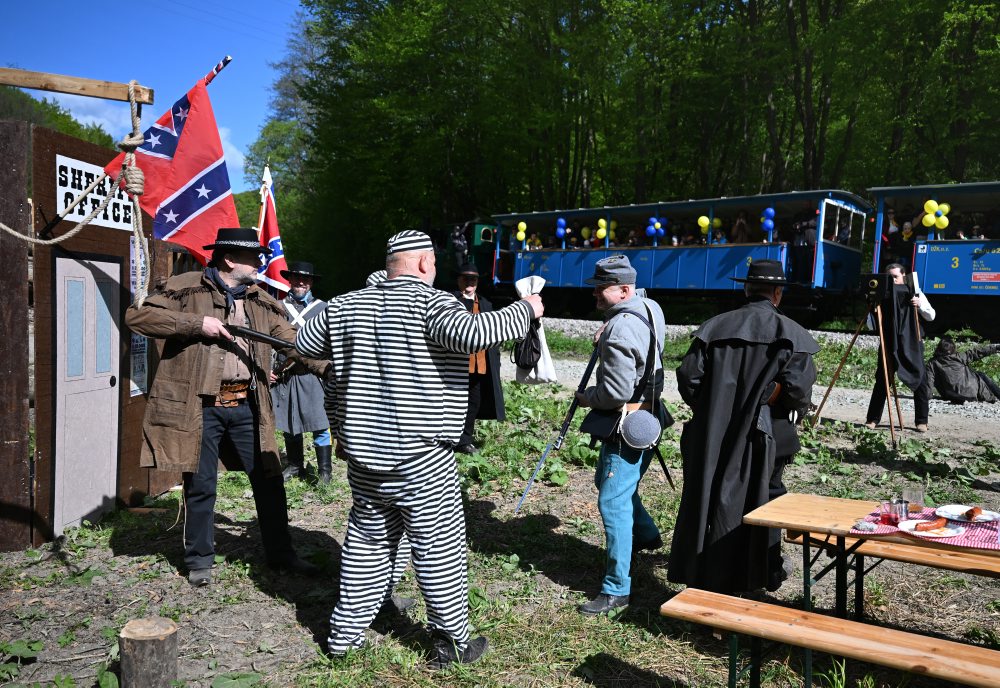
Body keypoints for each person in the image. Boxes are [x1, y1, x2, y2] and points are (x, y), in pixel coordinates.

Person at [295, 230, 543, 667]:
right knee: (438, 549)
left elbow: (304, 344)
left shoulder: (343, 305)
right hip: (422, 457)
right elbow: (474, 333)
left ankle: (343, 640)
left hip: (364, 455)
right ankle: (453, 643)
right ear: (426, 263)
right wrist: (526, 309)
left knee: (366, 546)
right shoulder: (433, 303)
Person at [125, 227, 326, 587]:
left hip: (248, 405)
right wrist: (196, 323)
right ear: (230, 259)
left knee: (269, 480)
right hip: (199, 407)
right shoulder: (186, 286)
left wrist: (329, 367)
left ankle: (282, 555)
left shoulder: (262, 299)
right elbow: (137, 317)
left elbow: (293, 342)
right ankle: (199, 560)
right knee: (200, 484)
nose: (260, 264)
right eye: (254, 258)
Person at [668, 259, 818, 594]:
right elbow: (797, 393)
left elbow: (688, 379)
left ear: (747, 289)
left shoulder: (714, 328)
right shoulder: (792, 336)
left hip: (712, 436)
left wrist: (717, 413)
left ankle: (705, 575)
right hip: (768, 438)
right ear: (777, 294)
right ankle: (762, 574)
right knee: (765, 503)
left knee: (708, 499)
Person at [573, 255, 667, 616]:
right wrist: (611, 324)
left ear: (624, 290)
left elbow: (613, 393)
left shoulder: (619, 328)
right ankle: (645, 535)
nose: (595, 294)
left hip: (625, 422)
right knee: (609, 481)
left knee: (612, 502)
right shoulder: (650, 307)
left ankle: (617, 590)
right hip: (651, 414)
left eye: (602, 289)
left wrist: (586, 399)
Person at [271, 261, 333, 483]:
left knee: (320, 424)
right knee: (290, 423)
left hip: (313, 375)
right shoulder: (277, 306)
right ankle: (296, 466)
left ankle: (325, 472)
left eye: (306, 279)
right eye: (297, 278)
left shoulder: (324, 308)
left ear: (312, 282)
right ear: (290, 280)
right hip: (286, 375)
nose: (301, 282)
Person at [864, 263, 935, 432]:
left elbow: (931, 316)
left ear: (903, 275)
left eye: (895, 277)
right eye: (889, 278)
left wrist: (920, 305)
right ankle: (872, 419)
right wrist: (873, 308)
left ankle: (921, 421)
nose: (893, 280)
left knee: (919, 379)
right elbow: (870, 325)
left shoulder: (915, 292)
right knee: (882, 380)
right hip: (889, 342)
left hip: (911, 343)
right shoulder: (882, 295)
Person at [450, 263, 505, 454]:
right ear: (459, 281)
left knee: (473, 403)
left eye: (472, 280)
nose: (469, 283)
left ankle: (465, 440)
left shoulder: (485, 304)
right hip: (456, 364)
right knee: (452, 402)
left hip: (479, 363)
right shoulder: (450, 301)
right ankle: (447, 438)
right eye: (466, 279)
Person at [925, 337, 1000, 404]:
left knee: (978, 374)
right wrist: (995, 348)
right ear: (953, 349)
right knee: (980, 375)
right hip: (973, 393)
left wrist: (927, 396)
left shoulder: (931, 364)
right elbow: (977, 352)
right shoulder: (959, 357)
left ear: (938, 349)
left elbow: (929, 382)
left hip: (951, 395)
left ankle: (960, 397)